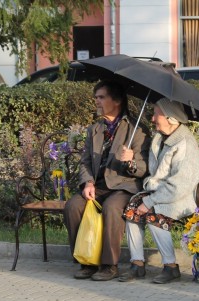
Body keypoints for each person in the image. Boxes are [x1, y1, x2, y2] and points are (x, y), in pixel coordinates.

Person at [63, 80, 150, 281]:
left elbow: (144, 168)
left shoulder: (137, 130)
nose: (97, 101)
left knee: (112, 208)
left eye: (101, 97)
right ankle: (86, 261)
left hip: (123, 186)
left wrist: (131, 162)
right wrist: (88, 183)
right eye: (96, 97)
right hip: (98, 186)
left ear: (117, 100)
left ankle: (109, 265)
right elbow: (85, 161)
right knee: (73, 206)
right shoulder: (95, 129)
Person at [118, 98, 199, 284]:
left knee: (152, 214)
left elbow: (179, 185)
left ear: (170, 118)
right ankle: (137, 264)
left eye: (156, 114)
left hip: (185, 195)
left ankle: (171, 267)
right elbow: (154, 172)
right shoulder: (159, 138)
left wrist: (150, 202)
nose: (152, 119)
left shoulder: (185, 143)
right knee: (133, 208)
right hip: (163, 192)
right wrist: (131, 160)